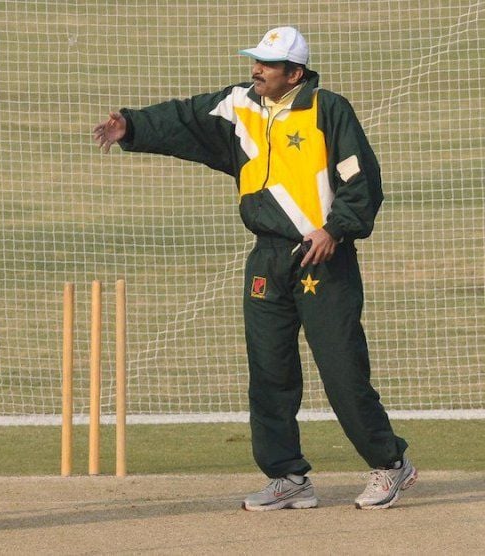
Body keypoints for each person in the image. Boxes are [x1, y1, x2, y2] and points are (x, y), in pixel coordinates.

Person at [93, 26, 417, 511]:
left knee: (342, 370)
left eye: (268, 64)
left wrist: (336, 230)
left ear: (296, 73)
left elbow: (362, 179)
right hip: (266, 258)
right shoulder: (238, 104)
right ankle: (288, 476)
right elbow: (185, 118)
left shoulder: (328, 109)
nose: (256, 70)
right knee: (269, 372)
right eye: (256, 60)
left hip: (322, 258)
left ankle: (390, 464)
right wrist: (132, 127)